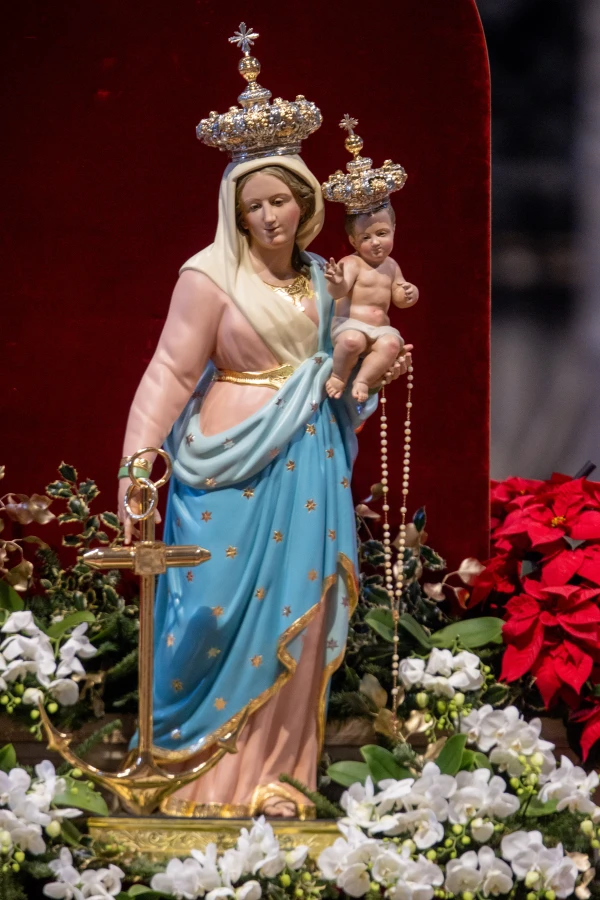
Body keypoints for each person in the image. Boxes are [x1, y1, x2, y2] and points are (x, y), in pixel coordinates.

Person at [117, 31, 411, 819]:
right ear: (235, 211)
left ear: (307, 199)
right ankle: (193, 775)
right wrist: (135, 467)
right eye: (253, 206)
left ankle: (282, 779)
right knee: (210, 615)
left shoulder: (327, 278)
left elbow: (347, 367)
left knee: (304, 617)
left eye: (280, 200)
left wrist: (372, 372)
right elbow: (169, 376)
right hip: (225, 468)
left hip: (309, 459)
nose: (269, 217)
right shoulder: (207, 278)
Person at [324, 204, 419, 402]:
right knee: (352, 341)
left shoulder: (391, 266)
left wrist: (410, 293)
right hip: (351, 325)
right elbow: (338, 292)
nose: (375, 242)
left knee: (391, 345)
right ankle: (338, 376)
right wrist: (337, 282)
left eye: (382, 233)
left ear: (394, 229)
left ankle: (363, 380)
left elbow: (400, 298)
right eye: (366, 238)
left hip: (380, 329)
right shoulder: (351, 263)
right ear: (353, 241)